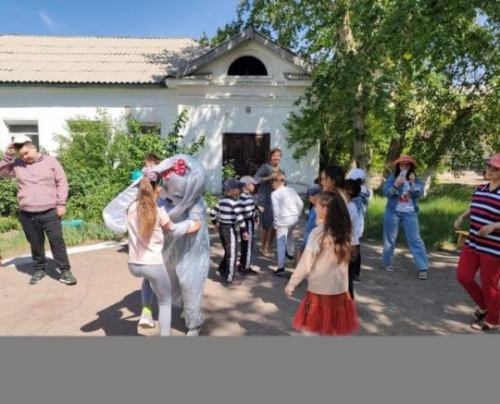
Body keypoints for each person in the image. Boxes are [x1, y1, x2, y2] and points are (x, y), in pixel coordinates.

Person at [104, 154, 209, 336]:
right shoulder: (158, 206)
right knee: (171, 289)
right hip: (164, 251)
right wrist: (178, 227)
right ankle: (170, 324)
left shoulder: (192, 203)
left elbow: (196, 223)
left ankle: (194, 322)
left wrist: (183, 227)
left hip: (188, 249)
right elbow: (171, 227)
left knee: (189, 284)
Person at [0, 135, 77, 285]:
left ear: (33, 147)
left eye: (26, 153)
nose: (24, 157)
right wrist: (8, 155)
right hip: (27, 213)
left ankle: (65, 271)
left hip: (50, 211)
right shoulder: (17, 164)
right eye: (21, 155)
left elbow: (62, 182)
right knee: (35, 243)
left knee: (57, 242)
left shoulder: (51, 161)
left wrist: (61, 204)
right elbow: (1, 173)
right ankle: (39, 269)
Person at [285, 191, 360, 336]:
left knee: (310, 325)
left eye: (317, 206)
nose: (315, 209)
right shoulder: (345, 230)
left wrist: (292, 283)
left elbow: (306, 262)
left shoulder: (318, 233)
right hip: (340, 291)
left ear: (325, 209)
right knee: (334, 328)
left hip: (317, 292)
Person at [126, 173, 179, 336]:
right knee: (165, 302)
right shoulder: (158, 211)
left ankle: (146, 313)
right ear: (159, 189)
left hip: (133, 265)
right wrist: (191, 224)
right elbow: (172, 229)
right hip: (153, 265)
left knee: (148, 280)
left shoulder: (130, 208)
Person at [454, 153, 500, 332]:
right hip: (473, 241)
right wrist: (462, 216)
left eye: (495, 168)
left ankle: (494, 319)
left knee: (489, 285)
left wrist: (493, 226)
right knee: (463, 276)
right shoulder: (481, 188)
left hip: (494, 247)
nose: (490, 170)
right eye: (489, 166)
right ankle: (486, 306)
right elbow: (474, 206)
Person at [381, 155, 429, 279]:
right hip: (392, 211)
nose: (404, 167)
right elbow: (386, 193)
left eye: (407, 165)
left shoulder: (416, 179)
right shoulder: (392, 177)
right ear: (398, 166)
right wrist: (396, 185)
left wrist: (412, 183)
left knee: (415, 239)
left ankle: (423, 267)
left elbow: (420, 193)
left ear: (411, 167)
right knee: (389, 239)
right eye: (402, 164)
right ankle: (387, 263)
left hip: (410, 212)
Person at [209, 179, 249, 285]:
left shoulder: (221, 201)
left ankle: (222, 269)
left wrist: (215, 223)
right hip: (229, 229)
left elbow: (212, 212)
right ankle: (230, 278)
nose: (240, 190)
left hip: (222, 228)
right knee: (232, 253)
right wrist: (244, 231)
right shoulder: (234, 202)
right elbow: (240, 218)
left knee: (228, 250)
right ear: (232, 190)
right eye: (238, 189)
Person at [271, 171, 304, 276]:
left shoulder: (274, 194)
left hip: (283, 220)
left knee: (281, 242)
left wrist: (276, 223)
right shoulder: (291, 190)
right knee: (290, 235)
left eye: (272, 183)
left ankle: (281, 267)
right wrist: (298, 214)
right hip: (294, 218)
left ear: (275, 182)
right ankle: (290, 253)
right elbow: (301, 204)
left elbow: (276, 210)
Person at [254, 148, 284, 257]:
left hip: (278, 199)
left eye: (278, 155)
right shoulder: (266, 167)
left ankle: (269, 246)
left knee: (275, 225)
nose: (276, 157)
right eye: (274, 155)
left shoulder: (281, 170)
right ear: (270, 157)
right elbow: (255, 179)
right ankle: (262, 248)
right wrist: (269, 177)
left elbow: (283, 183)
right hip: (266, 199)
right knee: (267, 225)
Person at [238, 175, 260, 275]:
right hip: (248, 223)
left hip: (243, 223)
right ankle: (246, 267)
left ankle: (242, 264)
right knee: (248, 245)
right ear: (247, 185)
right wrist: (254, 216)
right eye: (253, 184)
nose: (254, 186)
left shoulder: (242, 196)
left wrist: (255, 208)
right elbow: (248, 212)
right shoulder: (246, 197)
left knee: (244, 244)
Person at [345, 180, 362, 298]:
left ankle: (349, 302)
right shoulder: (348, 206)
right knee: (345, 278)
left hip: (350, 246)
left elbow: (347, 228)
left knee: (346, 279)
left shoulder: (350, 208)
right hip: (350, 245)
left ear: (350, 191)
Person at [297, 184, 322, 262]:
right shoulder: (314, 207)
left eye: (310, 197)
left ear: (317, 196)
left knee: (303, 253)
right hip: (308, 234)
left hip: (313, 236)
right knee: (301, 251)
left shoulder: (320, 208)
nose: (309, 199)